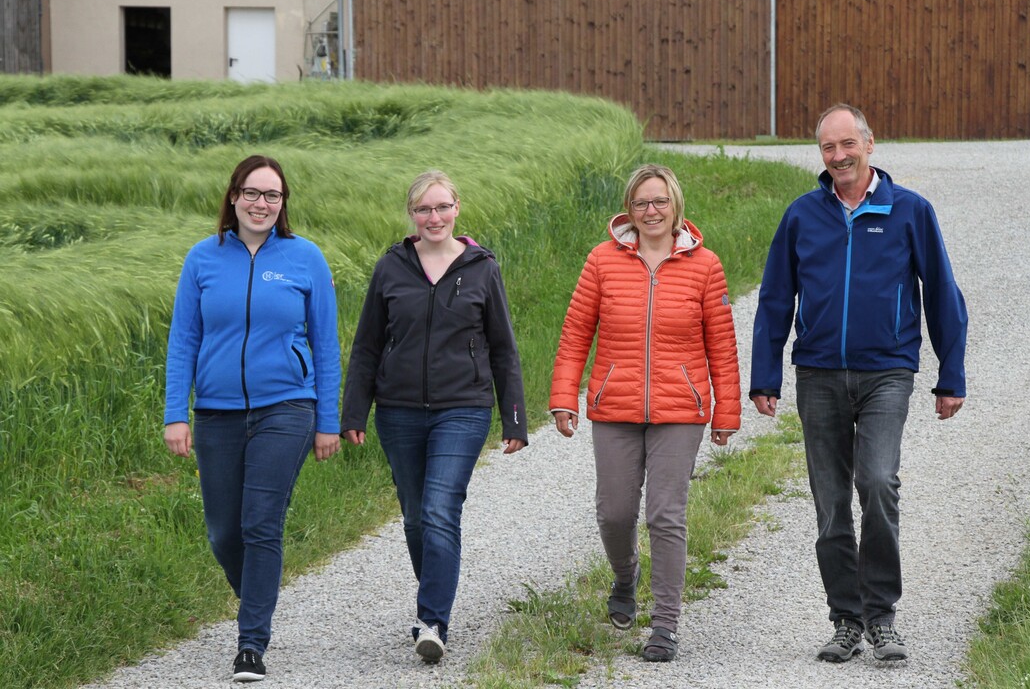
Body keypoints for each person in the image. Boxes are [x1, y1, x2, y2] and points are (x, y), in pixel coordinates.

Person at [749, 104, 967, 663]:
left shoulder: (909, 210)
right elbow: (775, 297)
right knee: (830, 503)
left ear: (870, 144)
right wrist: (765, 376)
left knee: (877, 482)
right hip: (818, 373)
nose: (839, 155)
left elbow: (943, 293)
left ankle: (882, 617)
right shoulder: (802, 215)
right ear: (820, 154)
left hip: (886, 371)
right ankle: (846, 619)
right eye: (828, 147)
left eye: (848, 144)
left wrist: (952, 375)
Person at [549, 163, 741, 663]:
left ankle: (665, 625)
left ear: (676, 205)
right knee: (614, 512)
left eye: (660, 201)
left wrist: (726, 412)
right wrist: (564, 397)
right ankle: (624, 575)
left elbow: (722, 346)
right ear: (629, 210)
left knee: (665, 514)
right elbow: (576, 334)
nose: (651, 211)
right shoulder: (602, 260)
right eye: (641, 203)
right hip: (614, 405)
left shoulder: (706, 265)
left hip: (681, 409)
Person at [164, 155, 342, 683]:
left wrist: (328, 420)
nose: (261, 204)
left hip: (287, 407)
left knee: (260, 523)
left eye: (272, 195)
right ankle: (259, 598)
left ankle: (251, 643)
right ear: (234, 196)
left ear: (283, 203)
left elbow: (326, 346)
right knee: (224, 534)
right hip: (215, 413)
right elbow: (183, 341)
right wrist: (176, 414)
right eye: (252, 193)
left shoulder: (305, 258)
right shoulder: (202, 258)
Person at [340, 169, 528, 664]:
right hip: (398, 411)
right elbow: (367, 346)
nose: (434, 217)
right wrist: (354, 411)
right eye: (424, 209)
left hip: (463, 408)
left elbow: (504, 349)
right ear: (411, 214)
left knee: (441, 508)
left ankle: (432, 621)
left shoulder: (482, 268)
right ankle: (436, 601)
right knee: (415, 516)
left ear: (457, 209)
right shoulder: (390, 268)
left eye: (443, 206)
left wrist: (513, 419)